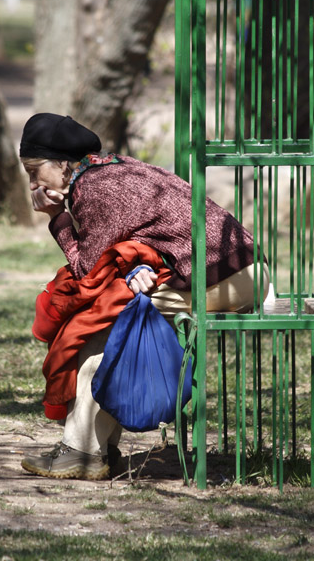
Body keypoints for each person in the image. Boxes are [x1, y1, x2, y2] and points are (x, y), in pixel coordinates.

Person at [18, 113, 270, 480]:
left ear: (62, 164)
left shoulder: (95, 189)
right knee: (110, 322)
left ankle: (83, 452)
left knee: (103, 336)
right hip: (243, 272)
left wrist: (57, 217)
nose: (31, 184)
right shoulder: (116, 168)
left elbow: (87, 272)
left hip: (226, 281)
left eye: (34, 171)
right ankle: (97, 449)